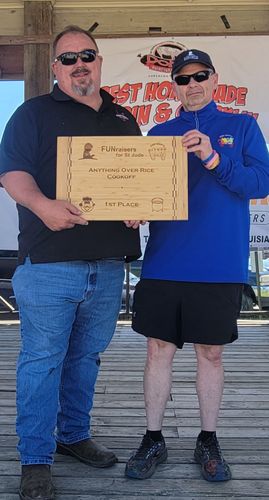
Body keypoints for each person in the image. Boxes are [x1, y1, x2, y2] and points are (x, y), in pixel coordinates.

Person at [0, 25, 141, 500]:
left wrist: (139, 203)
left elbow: (136, 181)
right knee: (41, 361)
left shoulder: (124, 118)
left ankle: (74, 435)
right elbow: (12, 173)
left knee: (85, 358)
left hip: (106, 264)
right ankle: (35, 458)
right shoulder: (32, 113)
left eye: (88, 55)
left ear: (99, 61)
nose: (79, 64)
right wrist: (43, 206)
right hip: (48, 264)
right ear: (55, 69)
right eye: (68, 59)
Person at [125, 49, 269, 482]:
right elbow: (146, 191)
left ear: (214, 78)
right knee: (157, 350)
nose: (192, 85)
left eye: (200, 76)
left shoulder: (242, 126)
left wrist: (212, 157)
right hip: (165, 261)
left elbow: (260, 182)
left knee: (211, 353)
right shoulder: (160, 132)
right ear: (174, 86)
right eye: (183, 79)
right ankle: (153, 438)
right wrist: (134, 208)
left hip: (218, 264)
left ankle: (208, 438)